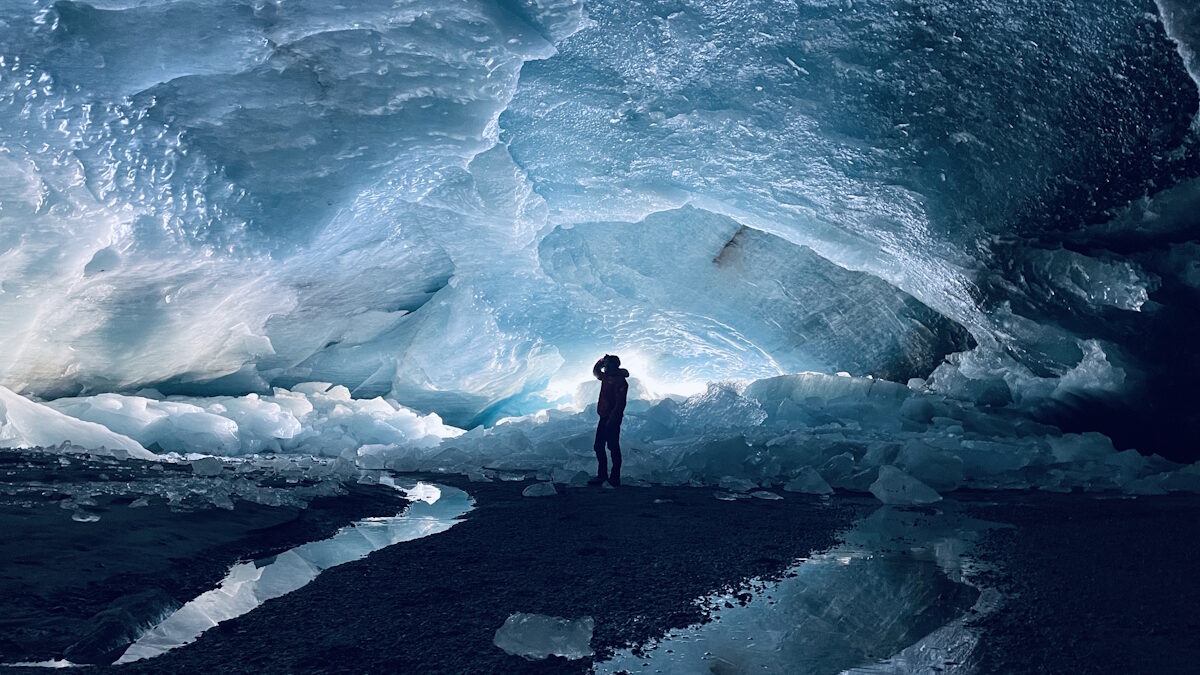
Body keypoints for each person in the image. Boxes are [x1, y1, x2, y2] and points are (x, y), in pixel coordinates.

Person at [589, 354, 629, 487]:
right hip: (604, 416)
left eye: (607, 365)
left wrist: (612, 419)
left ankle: (614, 478)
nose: (604, 368)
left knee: (612, 446)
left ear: (613, 366)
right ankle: (602, 475)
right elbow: (596, 372)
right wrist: (600, 360)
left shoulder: (619, 381)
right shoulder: (607, 377)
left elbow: (620, 403)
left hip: (612, 418)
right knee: (599, 446)